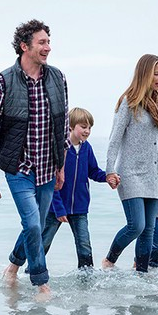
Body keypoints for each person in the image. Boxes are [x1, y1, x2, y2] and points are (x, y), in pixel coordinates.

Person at [0, 19, 70, 299]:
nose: (48, 48)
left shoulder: (58, 78)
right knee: (32, 224)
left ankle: (12, 267)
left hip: (47, 167)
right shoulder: (2, 82)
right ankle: (41, 283)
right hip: (19, 168)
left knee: (38, 225)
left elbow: (63, 127)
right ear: (24, 46)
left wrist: (60, 167)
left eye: (48, 42)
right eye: (42, 43)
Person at [101, 54, 158, 273]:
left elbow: (152, 147)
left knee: (149, 230)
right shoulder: (128, 102)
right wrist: (109, 171)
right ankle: (109, 260)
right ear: (144, 74)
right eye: (156, 73)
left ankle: (141, 275)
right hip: (130, 174)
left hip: (152, 176)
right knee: (137, 225)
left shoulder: (157, 104)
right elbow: (114, 139)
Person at [41, 107, 111, 269]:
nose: (87, 131)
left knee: (84, 245)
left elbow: (93, 171)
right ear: (70, 127)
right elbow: (52, 182)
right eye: (83, 127)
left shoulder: (87, 148)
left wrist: (107, 177)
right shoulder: (60, 150)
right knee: (44, 242)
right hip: (56, 208)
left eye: (90, 127)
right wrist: (58, 209)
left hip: (80, 208)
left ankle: (86, 282)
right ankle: (32, 272)